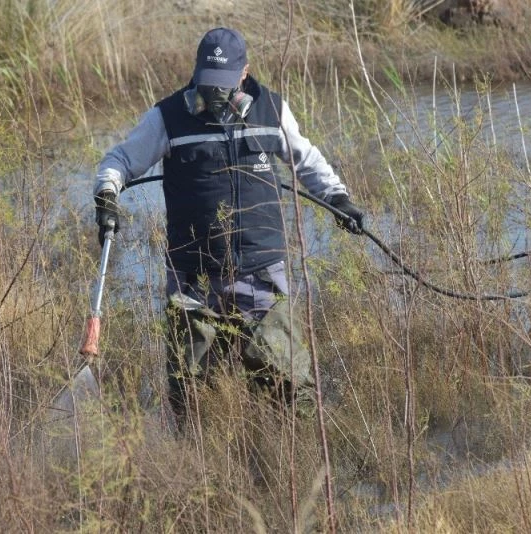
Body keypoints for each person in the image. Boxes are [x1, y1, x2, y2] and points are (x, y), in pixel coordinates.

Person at [92, 27, 365, 428]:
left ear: (244, 74)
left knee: (290, 392)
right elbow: (120, 159)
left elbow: (307, 161)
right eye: (208, 84)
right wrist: (107, 196)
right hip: (193, 277)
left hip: (261, 271)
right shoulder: (168, 117)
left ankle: (286, 460)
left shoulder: (273, 110)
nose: (215, 93)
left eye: (223, 84)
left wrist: (339, 199)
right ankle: (200, 468)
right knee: (192, 397)